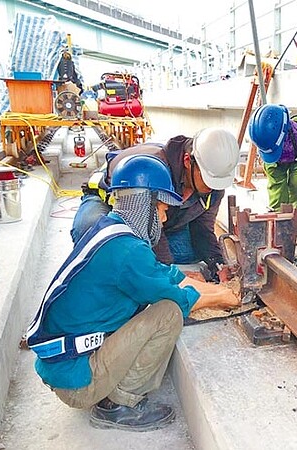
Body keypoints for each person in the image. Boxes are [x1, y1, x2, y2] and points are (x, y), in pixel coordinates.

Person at [26, 154, 240, 431]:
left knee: (158, 302)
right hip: (77, 381)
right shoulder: (129, 252)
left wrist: (212, 287)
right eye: (161, 209)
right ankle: (119, 405)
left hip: (64, 365)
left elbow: (164, 275)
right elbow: (177, 298)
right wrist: (226, 297)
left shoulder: (112, 228)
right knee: (168, 314)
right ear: (143, 204)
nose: (164, 218)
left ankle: (113, 393)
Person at [71, 128, 240, 280]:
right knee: (92, 234)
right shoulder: (152, 171)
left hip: (158, 224)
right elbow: (145, 224)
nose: (212, 187)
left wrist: (218, 265)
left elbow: (203, 230)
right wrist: (172, 276)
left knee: (195, 252)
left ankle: (135, 258)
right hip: (109, 204)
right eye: (208, 180)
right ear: (188, 161)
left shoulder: (214, 179)